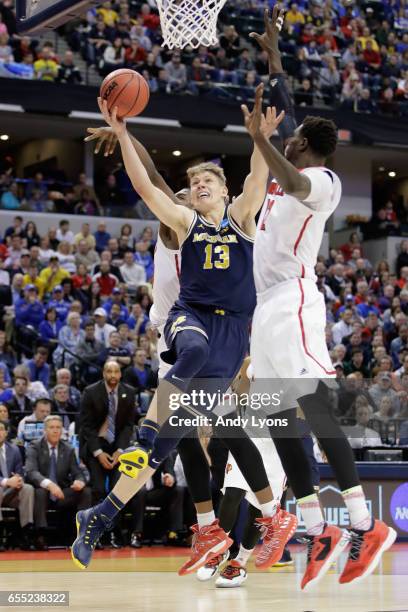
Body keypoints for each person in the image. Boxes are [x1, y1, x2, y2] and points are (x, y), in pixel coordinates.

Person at [72, 84, 296, 573]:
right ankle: (150, 437)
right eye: (192, 183)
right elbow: (147, 185)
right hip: (186, 320)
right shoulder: (182, 224)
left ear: (225, 191)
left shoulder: (240, 220)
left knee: (205, 437)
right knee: (186, 364)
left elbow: (258, 178)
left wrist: (260, 139)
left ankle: (100, 515)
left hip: (233, 334)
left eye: (206, 183)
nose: (197, 187)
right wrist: (124, 134)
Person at [245, 6, 395, 590]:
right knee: (277, 415)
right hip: (265, 310)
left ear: (304, 143)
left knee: (313, 408)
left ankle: (364, 523)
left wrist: (260, 138)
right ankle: (316, 525)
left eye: (290, 137)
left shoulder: (323, 182)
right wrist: (276, 56)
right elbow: (284, 119)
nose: (284, 137)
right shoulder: (286, 176)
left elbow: (295, 170)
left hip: (294, 303)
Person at [25, 415, 91, 550]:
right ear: (45, 430)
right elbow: (31, 472)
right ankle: (40, 535)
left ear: (62, 431)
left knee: (85, 492)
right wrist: (49, 484)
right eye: (51, 428)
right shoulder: (34, 446)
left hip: (61, 493)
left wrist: (80, 481)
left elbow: (78, 472)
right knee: (40, 491)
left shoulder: (68, 448)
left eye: (58, 428)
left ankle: (83, 535)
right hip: (42, 493)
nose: (55, 431)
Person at [0, 420, 35, 551]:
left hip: (10, 493)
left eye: (1, 429)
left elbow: (20, 472)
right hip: (2, 488)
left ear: (6, 432)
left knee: (27, 488)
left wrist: (18, 480)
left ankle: (26, 532)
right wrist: (6, 481)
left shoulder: (14, 450)